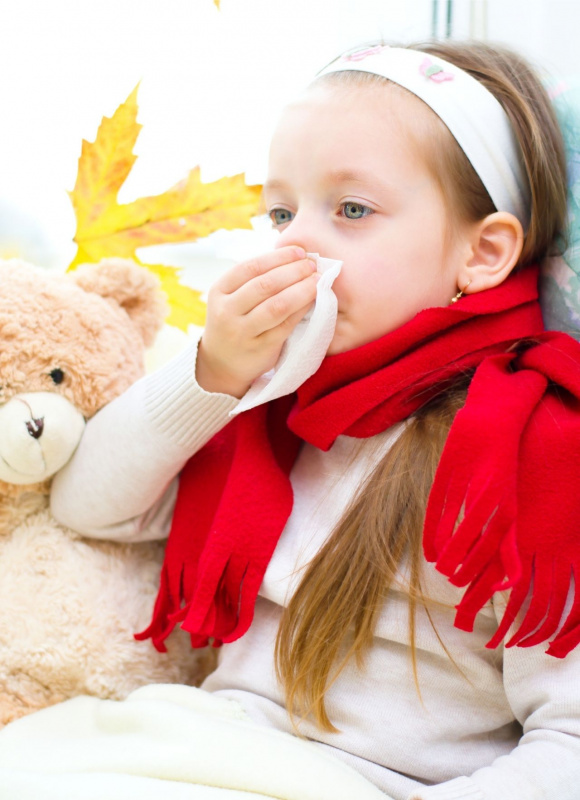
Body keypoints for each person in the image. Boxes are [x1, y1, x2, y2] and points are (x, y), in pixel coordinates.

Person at [50, 41, 580, 800]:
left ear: (484, 252)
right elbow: (86, 508)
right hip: (187, 742)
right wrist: (214, 374)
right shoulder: (273, 399)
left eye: (352, 210)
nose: (295, 241)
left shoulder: (526, 448)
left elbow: (569, 739)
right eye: (281, 212)